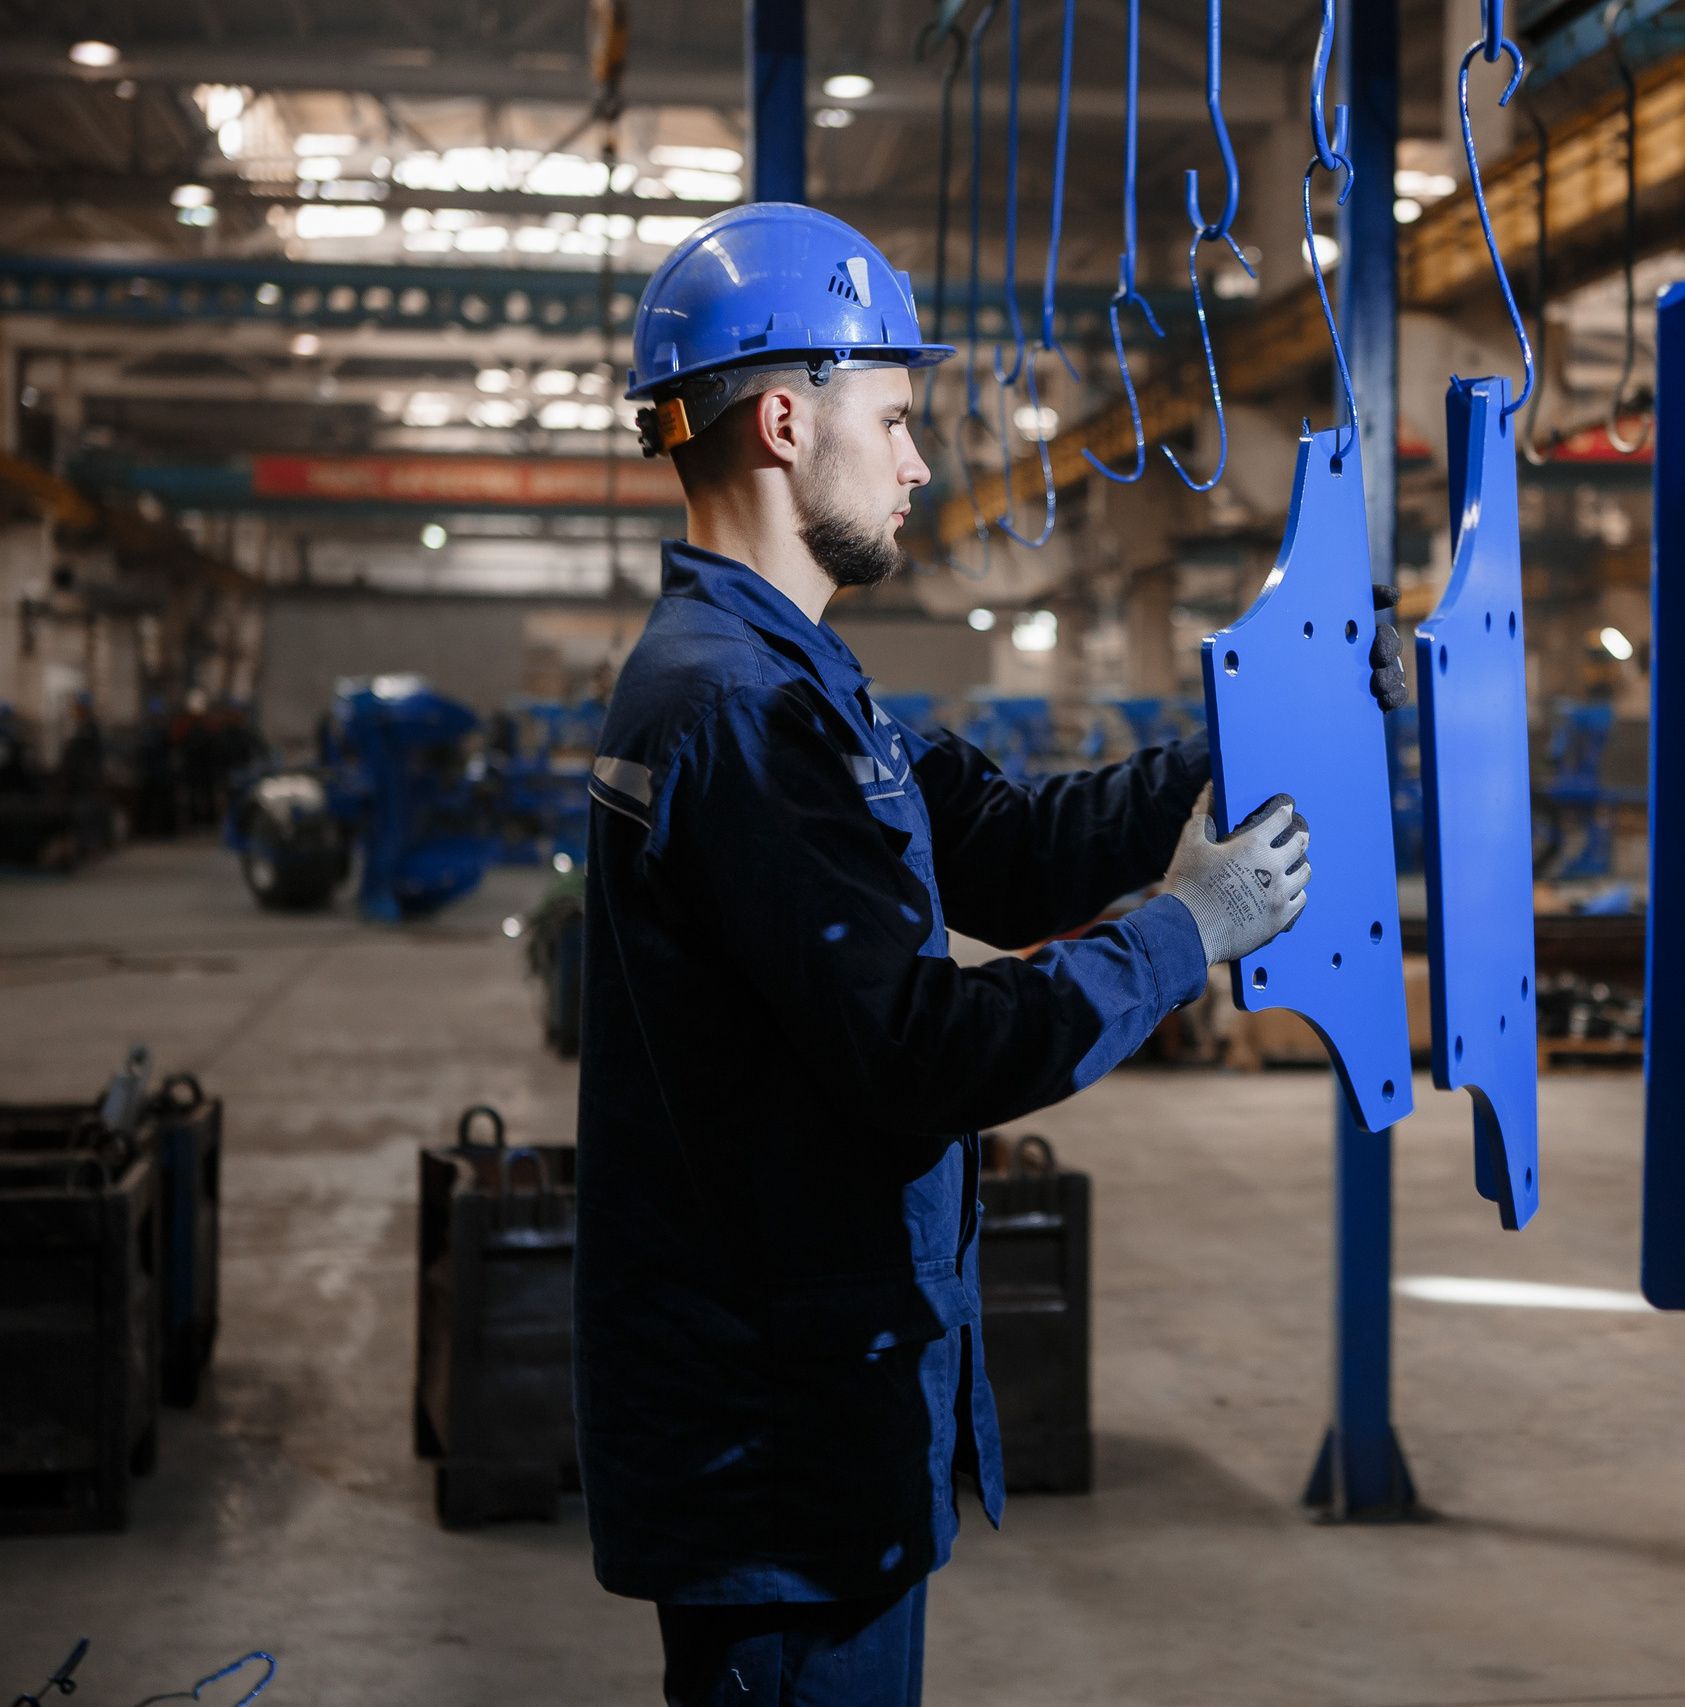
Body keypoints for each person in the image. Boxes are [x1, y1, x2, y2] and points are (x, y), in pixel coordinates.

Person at [577, 204, 1405, 1707]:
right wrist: (1186, 933)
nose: (918, 464)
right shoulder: (740, 714)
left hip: (811, 1429)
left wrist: (1272, 728)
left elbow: (1012, 845)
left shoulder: (789, 686)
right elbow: (921, 1053)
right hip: (774, 1458)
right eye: (892, 421)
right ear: (781, 418)